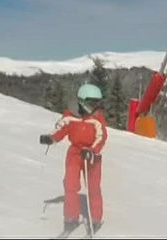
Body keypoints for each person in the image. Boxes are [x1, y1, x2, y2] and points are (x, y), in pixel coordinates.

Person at [40, 84, 108, 234]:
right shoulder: (70, 116)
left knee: (93, 187)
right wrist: (51, 138)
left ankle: (95, 218)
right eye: (92, 103)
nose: (96, 107)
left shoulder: (97, 119)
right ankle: (71, 217)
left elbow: (101, 137)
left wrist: (92, 151)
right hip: (75, 153)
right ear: (82, 101)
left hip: (91, 156)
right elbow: (61, 129)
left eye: (98, 103)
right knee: (70, 184)